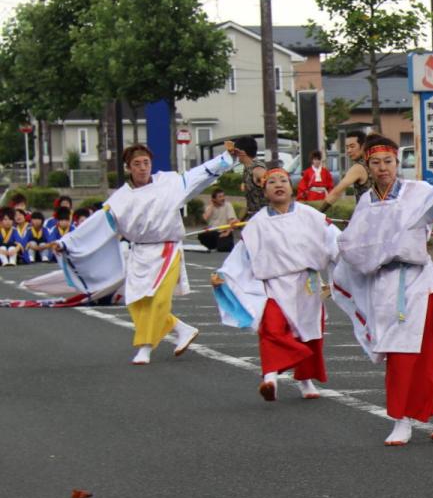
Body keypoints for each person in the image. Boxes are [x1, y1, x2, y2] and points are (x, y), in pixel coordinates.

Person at [331, 135, 433, 445]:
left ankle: (405, 419)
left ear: (397, 162)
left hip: (420, 283)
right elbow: (353, 244)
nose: (383, 168)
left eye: (388, 162)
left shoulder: (418, 191)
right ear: (367, 165)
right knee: (399, 355)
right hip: (383, 285)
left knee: (419, 356)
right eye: (375, 163)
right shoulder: (366, 202)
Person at [52, 142, 238, 365]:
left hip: (167, 249)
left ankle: (145, 347)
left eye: (146, 163)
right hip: (139, 252)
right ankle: (181, 328)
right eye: (137, 164)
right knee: (136, 301)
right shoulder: (120, 198)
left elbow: (199, 174)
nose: (142, 168)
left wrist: (225, 158)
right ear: (129, 167)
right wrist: (66, 243)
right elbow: (97, 223)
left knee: (159, 300)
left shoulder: (169, 183)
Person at [211, 167, 338, 402]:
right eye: (272, 182)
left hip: (305, 284)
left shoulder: (311, 216)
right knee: (271, 328)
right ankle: (270, 378)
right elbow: (242, 255)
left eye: (283, 180)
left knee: (309, 333)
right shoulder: (257, 223)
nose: (278, 185)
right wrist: (223, 275)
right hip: (272, 286)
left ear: (291, 187)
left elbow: (335, 242)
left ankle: (305, 380)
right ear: (265, 191)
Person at [319, 131, 370, 209]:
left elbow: (336, 193)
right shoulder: (376, 162)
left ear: (363, 146)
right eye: (347, 147)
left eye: (352, 146)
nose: (349, 150)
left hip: (366, 214)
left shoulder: (358, 167)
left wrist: (318, 213)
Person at [233, 136, 267, 220]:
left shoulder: (258, 170)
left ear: (242, 152)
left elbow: (272, 193)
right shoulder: (247, 168)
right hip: (253, 217)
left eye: (235, 152)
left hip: (264, 219)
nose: (234, 155)